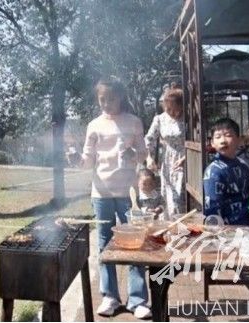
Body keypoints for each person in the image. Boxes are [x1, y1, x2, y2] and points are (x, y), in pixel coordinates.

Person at [81, 76, 150, 319]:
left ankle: (138, 299)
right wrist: (79, 160)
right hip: (101, 192)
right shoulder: (94, 125)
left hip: (128, 193)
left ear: (120, 97)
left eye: (110, 99)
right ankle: (110, 296)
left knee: (136, 242)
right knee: (103, 244)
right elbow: (88, 157)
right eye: (102, 99)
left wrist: (135, 153)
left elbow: (143, 154)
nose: (106, 103)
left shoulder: (133, 122)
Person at [145, 86, 186, 217]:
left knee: (181, 196)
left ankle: (185, 227)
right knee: (169, 196)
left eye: (176, 109)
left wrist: (186, 158)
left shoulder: (188, 119)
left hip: (186, 158)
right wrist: (149, 157)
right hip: (168, 160)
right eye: (168, 109)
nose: (172, 113)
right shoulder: (160, 119)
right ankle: (171, 227)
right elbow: (149, 138)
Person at [203, 118, 249, 225]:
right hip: (227, 231)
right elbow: (212, 209)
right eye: (218, 137)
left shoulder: (244, 166)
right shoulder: (214, 172)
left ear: (239, 140)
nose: (223, 140)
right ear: (212, 143)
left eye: (228, 135)